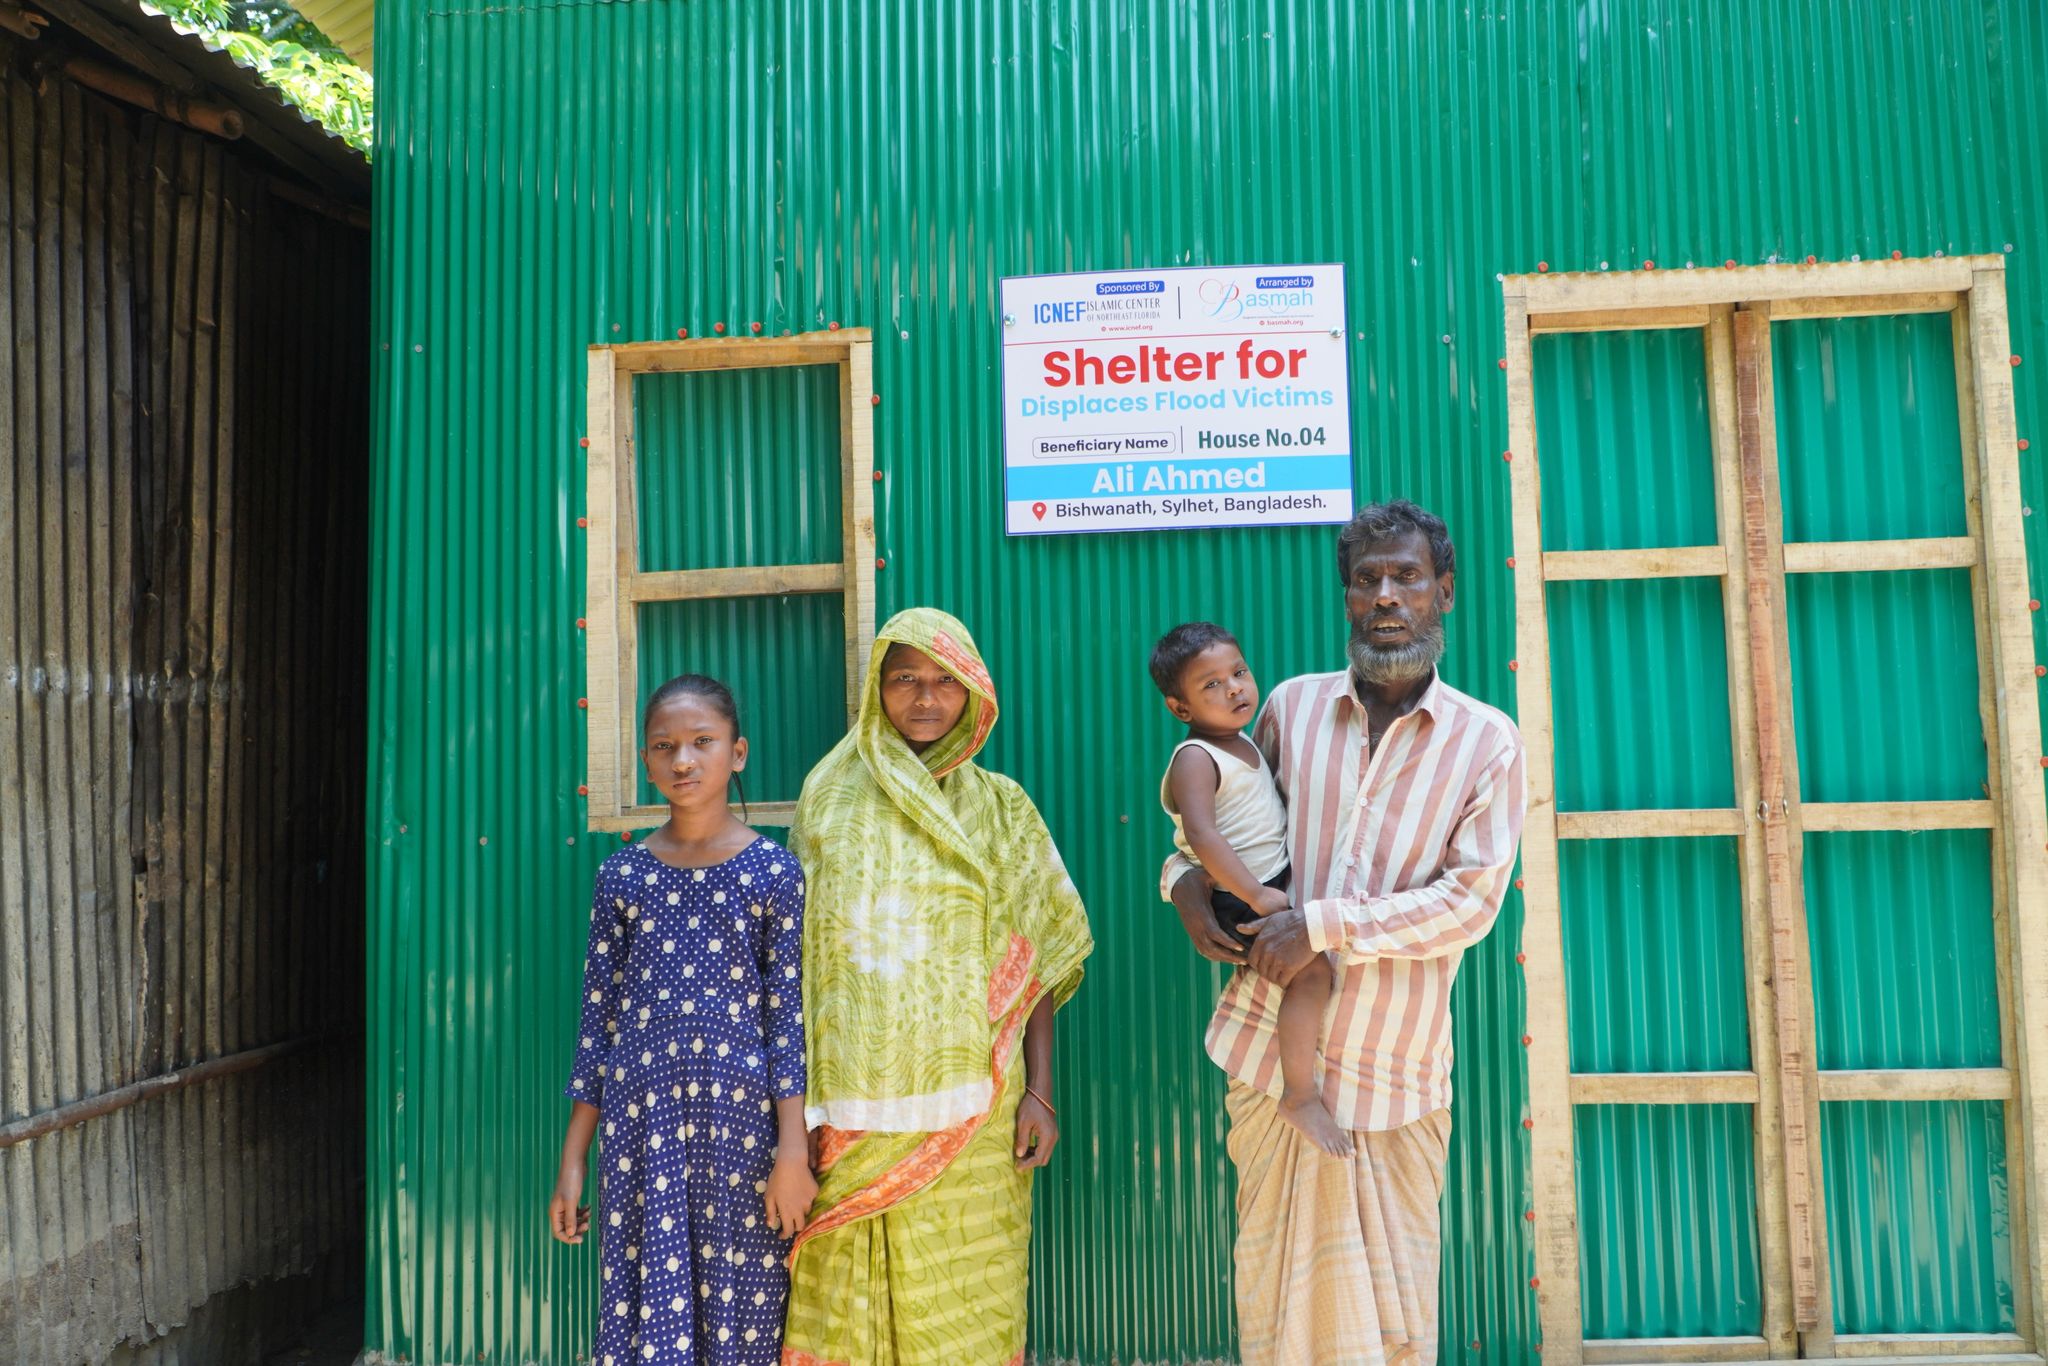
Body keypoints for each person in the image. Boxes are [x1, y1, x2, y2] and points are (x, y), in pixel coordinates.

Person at [1167, 501, 1526, 1366]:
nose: (1386, 597)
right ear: (1347, 601)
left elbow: (1472, 905)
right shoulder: (1290, 709)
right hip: (1267, 1056)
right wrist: (1180, 883)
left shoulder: (1487, 743)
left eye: (1407, 577)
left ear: (1445, 592)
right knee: (1273, 1294)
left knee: (1394, 1320)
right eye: (1366, 581)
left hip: (1395, 1073)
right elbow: (1227, 827)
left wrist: (1321, 925)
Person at [780, 606, 1093, 1366]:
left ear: (976, 693)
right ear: (874, 692)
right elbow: (798, 966)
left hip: (978, 1108)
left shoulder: (1002, 807)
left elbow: (1041, 953)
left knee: (969, 1301)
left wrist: (1040, 1092)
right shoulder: (828, 797)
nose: (926, 699)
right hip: (850, 1112)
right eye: (906, 681)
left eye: (946, 683)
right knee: (846, 1293)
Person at [549, 674, 817, 1366]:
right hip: (645, 1134)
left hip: (743, 1136)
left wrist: (793, 1150)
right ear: (646, 760)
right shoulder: (623, 877)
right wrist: (575, 1156)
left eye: (703, 742)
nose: (683, 761)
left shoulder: (774, 872)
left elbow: (787, 1022)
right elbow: (597, 1026)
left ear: (739, 753)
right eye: (664, 746)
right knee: (649, 1317)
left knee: (744, 1318)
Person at [1150, 620, 1349, 1158]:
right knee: (1313, 977)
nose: (1234, 688)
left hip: (1264, 883)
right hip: (1244, 893)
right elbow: (1201, 835)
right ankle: (1300, 1094)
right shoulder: (1197, 757)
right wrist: (1259, 897)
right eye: (1211, 684)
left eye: (1238, 672)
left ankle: (1299, 1081)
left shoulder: (1243, 743)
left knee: (1309, 975)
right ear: (1180, 708)